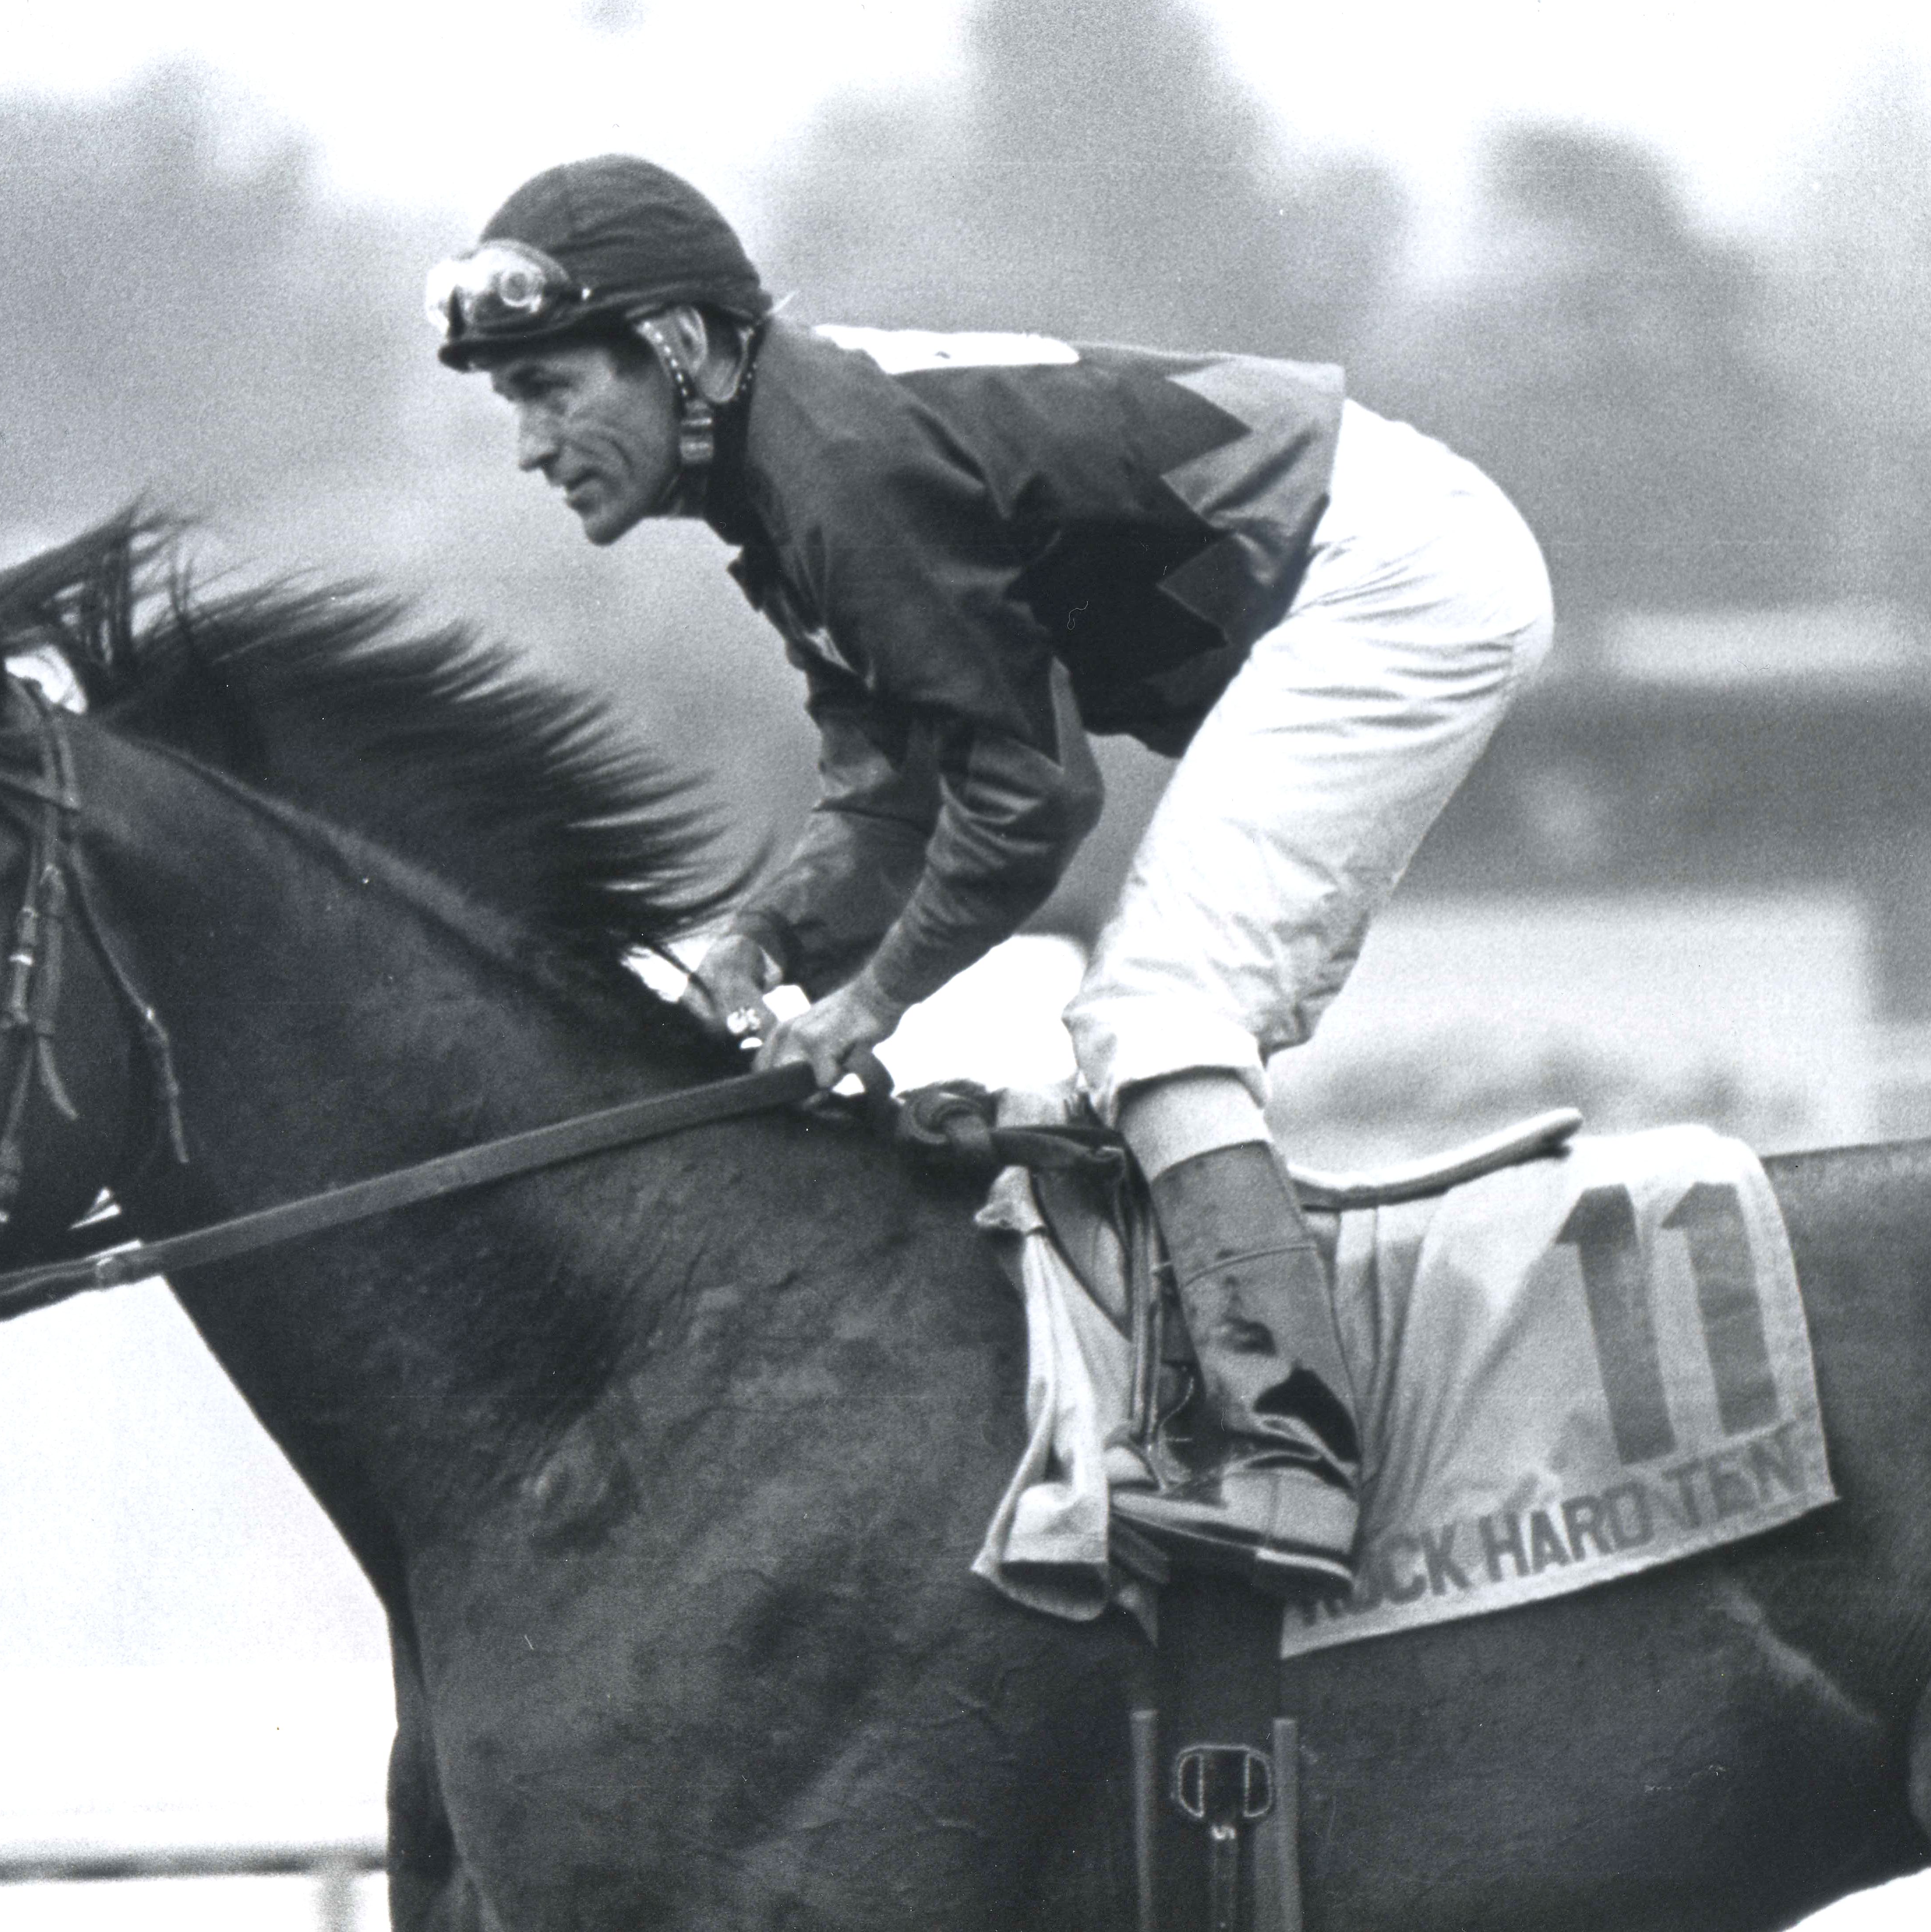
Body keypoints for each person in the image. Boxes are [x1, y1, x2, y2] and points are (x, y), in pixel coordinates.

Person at [425, 156, 1552, 1599]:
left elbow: (1029, 798)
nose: (527, 444)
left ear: (680, 351)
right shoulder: (778, 477)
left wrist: (864, 1007)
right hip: (1376, 552)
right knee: (1143, 1021)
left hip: (1395, 574)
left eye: (547, 387)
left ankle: (1291, 1459)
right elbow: (890, 800)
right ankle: (1223, 1414)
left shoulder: (834, 469)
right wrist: (756, 938)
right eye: (510, 398)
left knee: (1157, 1011)